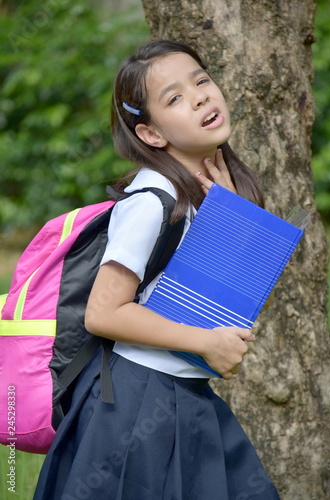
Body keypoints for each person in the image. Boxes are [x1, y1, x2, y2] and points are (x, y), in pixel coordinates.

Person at [34, 39, 280, 500]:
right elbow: (103, 314)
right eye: (175, 97)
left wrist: (233, 216)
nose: (201, 96)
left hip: (182, 393)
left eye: (202, 80)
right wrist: (207, 342)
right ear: (150, 134)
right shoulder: (151, 202)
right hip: (133, 402)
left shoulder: (206, 189)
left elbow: (215, 292)